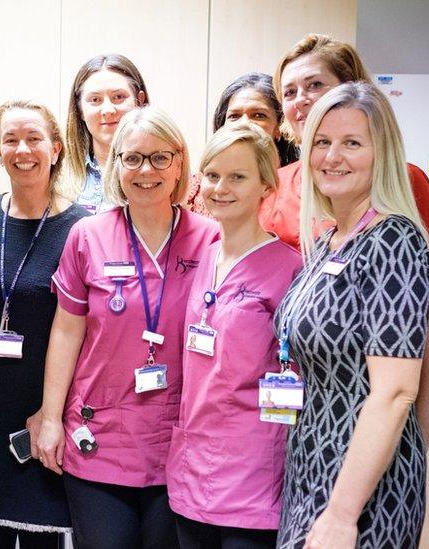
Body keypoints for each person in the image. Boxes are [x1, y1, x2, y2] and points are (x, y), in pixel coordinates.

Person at [37, 106, 218, 548]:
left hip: (177, 439)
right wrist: (50, 418)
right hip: (100, 436)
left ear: (179, 164)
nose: (146, 171)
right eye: (132, 158)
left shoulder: (211, 238)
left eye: (160, 157)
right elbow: (66, 332)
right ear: (116, 164)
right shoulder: (88, 235)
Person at [271, 33, 429, 448]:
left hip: (368, 404)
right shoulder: (275, 186)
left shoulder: (401, 182)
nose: (302, 99)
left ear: (352, 88)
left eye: (315, 85)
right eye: (289, 91)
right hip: (288, 410)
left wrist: (421, 426)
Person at [274, 82, 429, 548]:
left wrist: (343, 514)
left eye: (352, 143)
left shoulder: (394, 240)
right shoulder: (329, 240)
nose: (332, 156)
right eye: (322, 142)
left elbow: (396, 390)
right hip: (312, 467)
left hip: (362, 489)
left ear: (381, 153)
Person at [0, 100, 89, 548]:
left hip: (42, 412)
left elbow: (86, 333)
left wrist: (54, 413)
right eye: (10, 139)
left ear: (56, 148)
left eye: (34, 138)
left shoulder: (81, 228)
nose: (22, 149)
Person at [166, 122, 301, 548]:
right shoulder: (202, 259)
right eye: (212, 175)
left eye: (237, 177)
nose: (220, 188)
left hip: (255, 472)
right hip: (193, 465)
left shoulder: (289, 269)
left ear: (266, 186)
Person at [184, 72, 297, 214]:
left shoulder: (298, 188)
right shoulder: (194, 191)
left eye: (259, 115)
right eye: (234, 116)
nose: (244, 123)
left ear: (279, 127)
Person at [65, 54, 150, 214]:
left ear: (140, 101)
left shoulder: (160, 173)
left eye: (118, 97)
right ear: (80, 110)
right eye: (95, 100)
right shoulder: (57, 177)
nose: (108, 110)